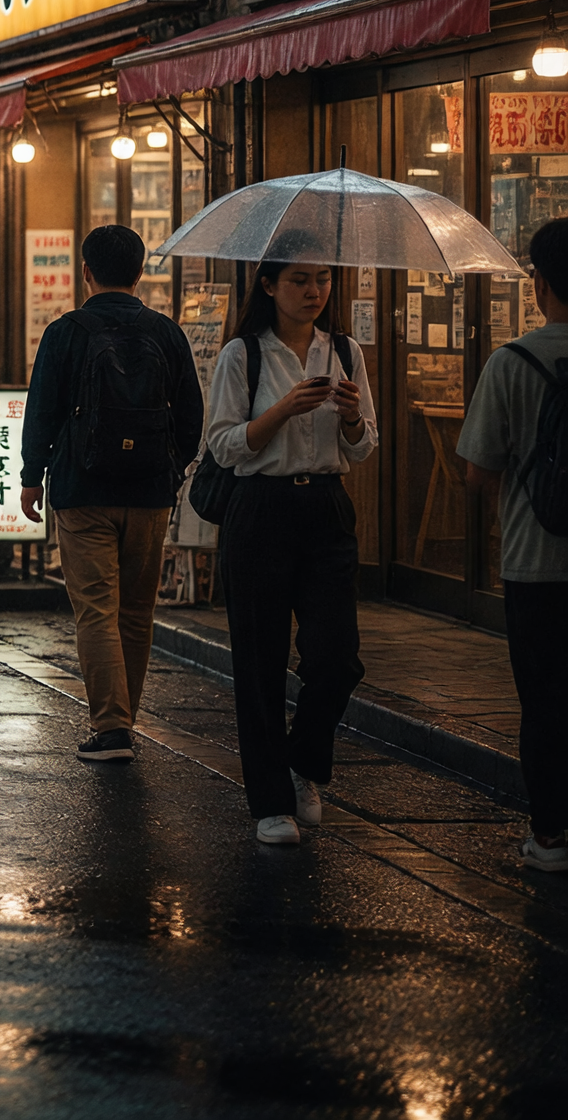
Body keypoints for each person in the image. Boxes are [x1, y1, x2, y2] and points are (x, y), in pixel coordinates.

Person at [203, 253, 376, 847]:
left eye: (323, 279)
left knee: (337, 656)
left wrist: (351, 419)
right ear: (270, 285)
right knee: (259, 662)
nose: (314, 291)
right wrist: (282, 410)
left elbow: (362, 448)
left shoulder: (346, 351)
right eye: (300, 280)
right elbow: (225, 446)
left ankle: (305, 761)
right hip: (260, 511)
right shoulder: (242, 355)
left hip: (326, 508)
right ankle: (271, 802)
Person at [18, 226, 203, 763]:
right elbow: (191, 416)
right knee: (137, 612)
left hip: (83, 489)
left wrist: (32, 475)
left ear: (85, 271)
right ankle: (125, 720)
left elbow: (42, 409)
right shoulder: (166, 333)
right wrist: (171, 468)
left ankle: (113, 727)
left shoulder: (66, 331)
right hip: (149, 492)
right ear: (140, 273)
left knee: (96, 609)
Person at [462, 216, 568, 874]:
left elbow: (477, 470)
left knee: (545, 702)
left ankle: (550, 838)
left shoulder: (512, 362)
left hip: (536, 564)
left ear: (539, 285)